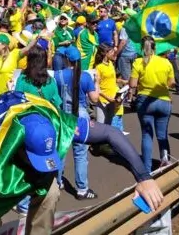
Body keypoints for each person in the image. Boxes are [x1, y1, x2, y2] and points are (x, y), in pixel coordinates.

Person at [54, 47, 100, 199]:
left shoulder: (58, 75)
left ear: (66, 59)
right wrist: (97, 83)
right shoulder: (85, 76)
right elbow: (94, 99)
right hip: (80, 115)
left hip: (63, 115)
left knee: (61, 152)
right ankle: (82, 189)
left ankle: (57, 182)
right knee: (80, 154)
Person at [129, 37, 175, 171]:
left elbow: (132, 84)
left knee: (146, 135)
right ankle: (165, 161)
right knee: (162, 134)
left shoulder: (138, 62)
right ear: (155, 48)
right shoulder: (166, 62)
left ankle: (147, 168)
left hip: (145, 101)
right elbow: (171, 83)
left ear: (142, 48)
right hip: (163, 100)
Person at [92, 43, 126, 132]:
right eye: (111, 52)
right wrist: (107, 98)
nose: (113, 53)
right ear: (105, 53)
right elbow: (96, 87)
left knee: (110, 125)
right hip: (103, 101)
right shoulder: (98, 68)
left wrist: (123, 81)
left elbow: (112, 79)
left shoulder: (111, 63)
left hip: (113, 99)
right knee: (101, 126)